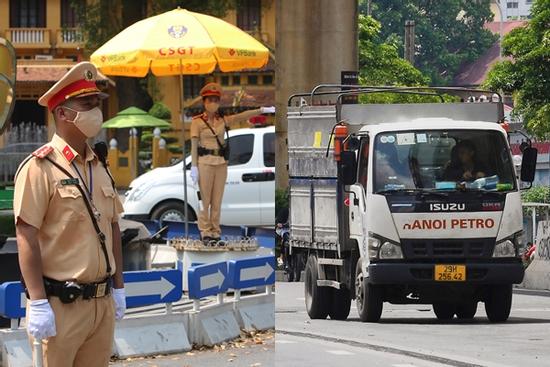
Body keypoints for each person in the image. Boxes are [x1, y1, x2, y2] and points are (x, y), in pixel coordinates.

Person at [14, 62, 125, 367]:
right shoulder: (40, 168)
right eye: (86, 104)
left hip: (101, 304)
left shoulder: (99, 166)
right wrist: (37, 301)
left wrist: (118, 287)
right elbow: (26, 235)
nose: (95, 111)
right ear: (62, 113)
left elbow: (113, 225)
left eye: (97, 103)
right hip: (61, 305)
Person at [190, 82, 274, 243]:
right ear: (204, 102)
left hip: (221, 163)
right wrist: (194, 166)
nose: (213, 103)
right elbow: (194, 146)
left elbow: (242, 116)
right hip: (205, 163)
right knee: (204, 201)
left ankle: (215, 232)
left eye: (216, 100)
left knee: (217, 201)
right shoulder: (197, 122)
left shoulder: (223, 120)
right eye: (210, 100)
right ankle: (205, 232)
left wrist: (262, 110)